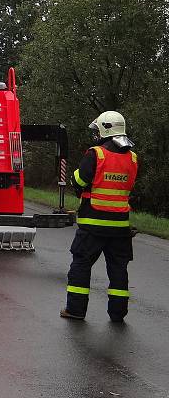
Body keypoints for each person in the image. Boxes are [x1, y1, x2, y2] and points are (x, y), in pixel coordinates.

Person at [61, 111, 137, 323]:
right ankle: (118, 314)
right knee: (119, 270)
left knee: (81, 266)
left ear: (106, 129)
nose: (95, 135)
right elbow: (127, 186)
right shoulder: (132, 158)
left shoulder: (96, 154)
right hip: (120, 227)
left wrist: (78, 179)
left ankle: (75, 310)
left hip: (92, 226)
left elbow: (79, 181)